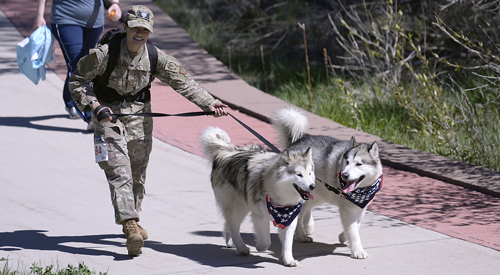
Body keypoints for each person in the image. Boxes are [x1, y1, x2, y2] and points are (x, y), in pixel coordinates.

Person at [69, 5, 228, 256]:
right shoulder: (103, 54)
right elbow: (76, 80)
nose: (140, 34)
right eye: (135, 28)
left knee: (137, 172)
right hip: (107, 114)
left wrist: (210, 103)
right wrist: (94, 105)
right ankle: (129, 224)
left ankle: (134, 216)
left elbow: (183, 82)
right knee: (118, 169)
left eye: (145, 30)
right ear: (125, 28)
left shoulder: (155, 56)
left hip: (140, 116)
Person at [34, 0, 122, 131]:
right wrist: (39, 15)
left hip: (94, 23)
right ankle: (91, 115)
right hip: (65, 18)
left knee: (83, 65)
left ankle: (70, 102)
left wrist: (115, 3)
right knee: (79, 66)